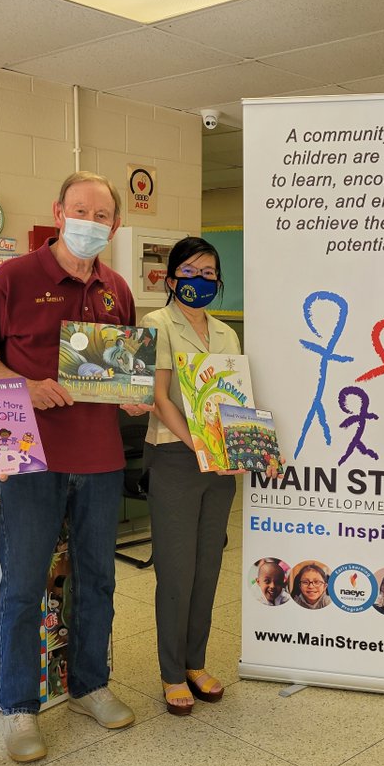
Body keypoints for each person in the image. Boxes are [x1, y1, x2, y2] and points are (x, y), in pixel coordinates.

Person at [0, 172, 146, 762]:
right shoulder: (13, 278)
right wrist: (25, 385)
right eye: (80, 210)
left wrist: (132, 391)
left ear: (115, 225)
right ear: (58, 212)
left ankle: (91, 683)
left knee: (98, 577)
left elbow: (120, 368)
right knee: (24, 583)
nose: (91, 221)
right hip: (30, 457)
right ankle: (20, 707)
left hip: (99, 457)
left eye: (102, 214)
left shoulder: (117, 288)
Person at [140, 236, 241, 715]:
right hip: (177, 457)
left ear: (219, 281)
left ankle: (196, 661)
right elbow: (160, 398)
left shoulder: (225, 333)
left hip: (221, 462)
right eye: (190, 272)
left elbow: (233, 397)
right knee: (177, 569)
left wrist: (236, 444)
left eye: (209, 273)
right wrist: (197, 443)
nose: (199, 281)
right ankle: (170, 670)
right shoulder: (155, 324)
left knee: (208, 565)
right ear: (171, 277)